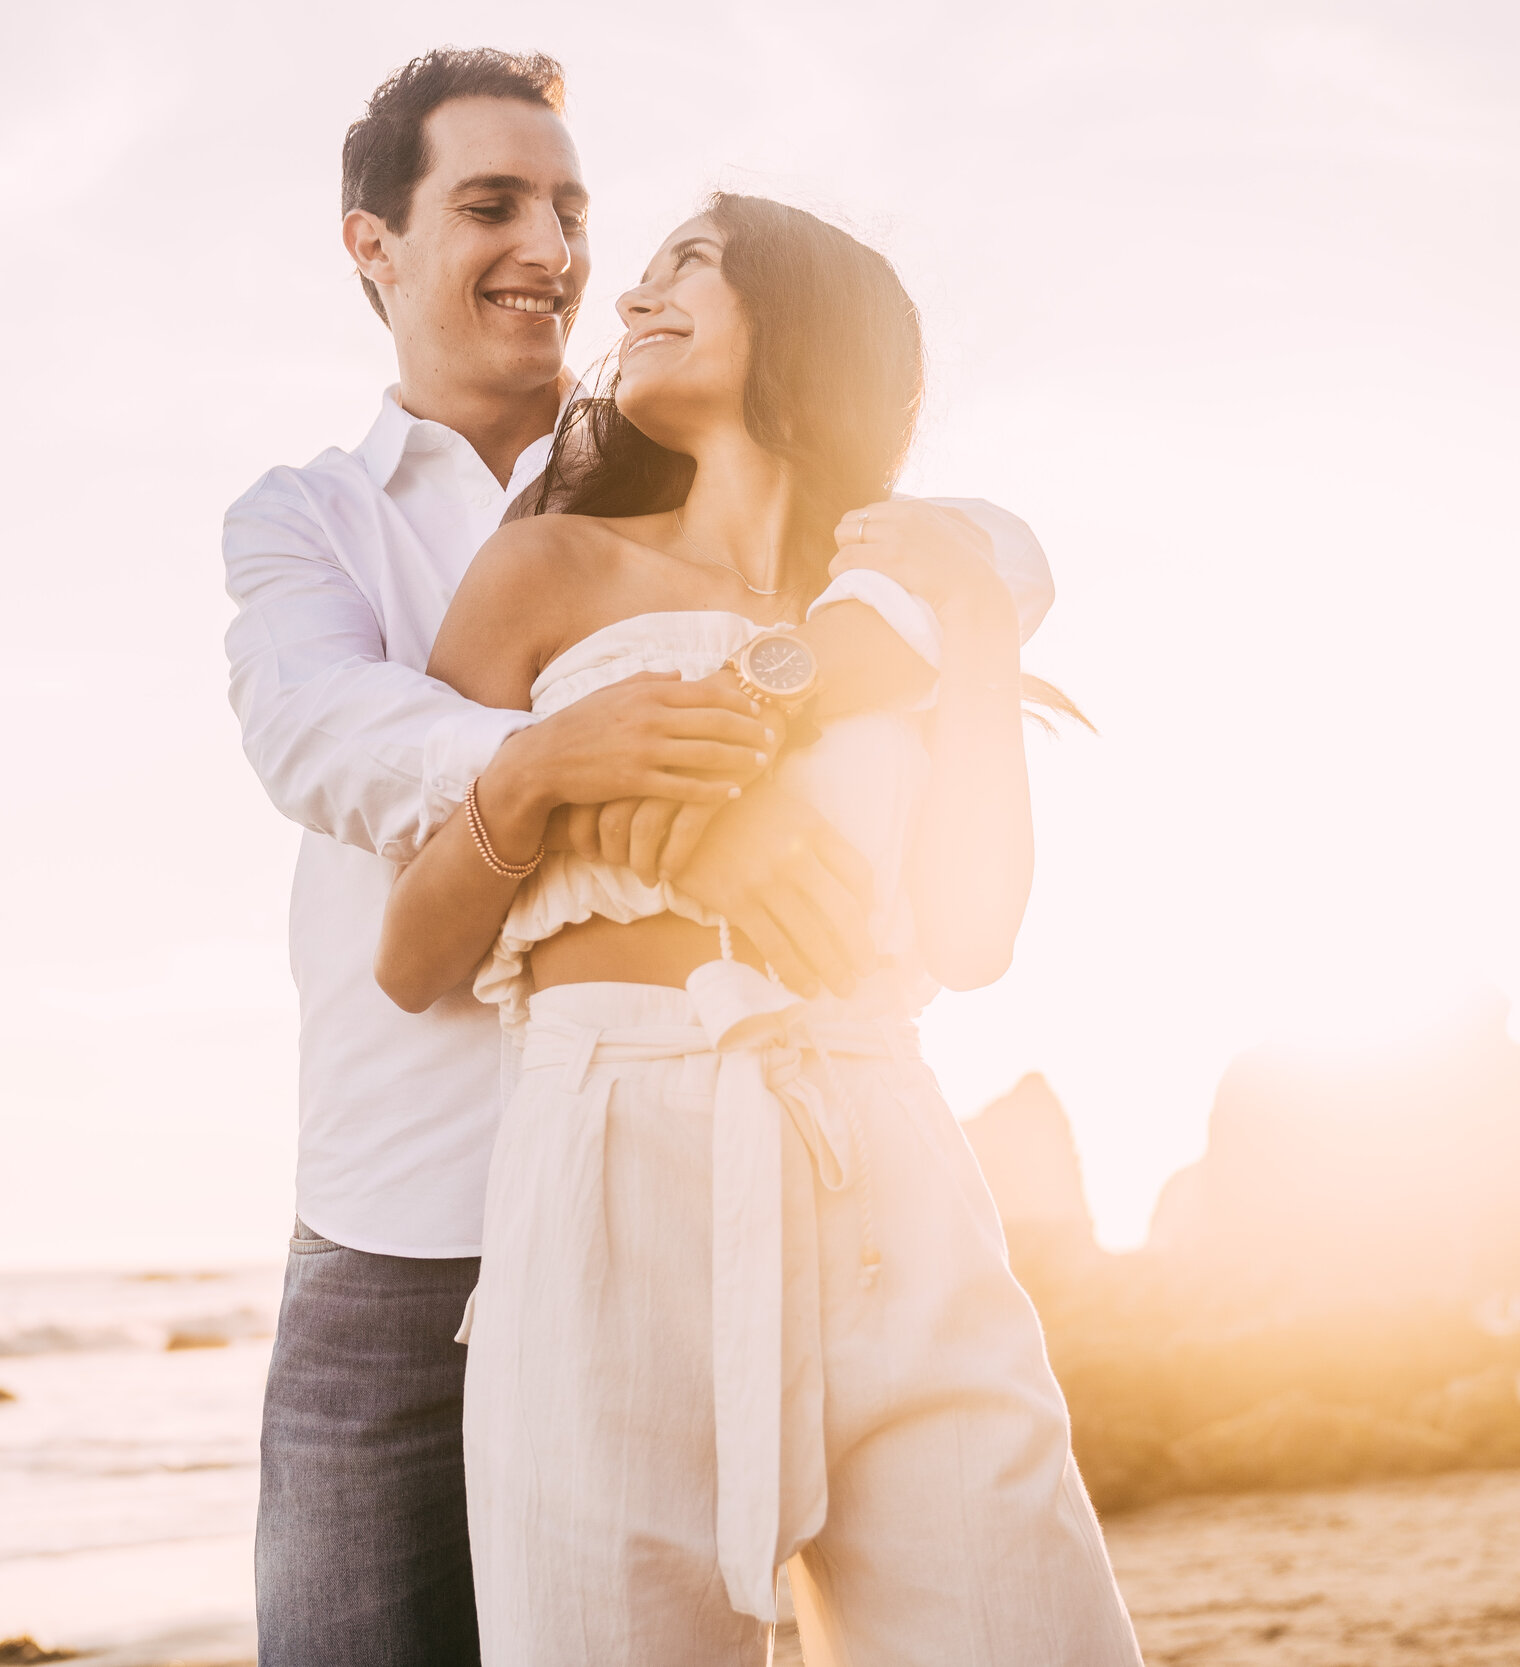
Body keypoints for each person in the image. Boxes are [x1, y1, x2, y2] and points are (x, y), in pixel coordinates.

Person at [224, 48, 1059, 1667]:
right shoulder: (312, 520)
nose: (552, 245)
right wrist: (585, 779)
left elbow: (991, 554)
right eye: (490, 204)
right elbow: (322, 742)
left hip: (801, 1148)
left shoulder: (711, 502)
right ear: (372, 246)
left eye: (573, 208)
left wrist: (779, 707)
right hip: (408, 1210)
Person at [373, 197, 1141, 1663]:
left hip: (878, 1147)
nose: (637, 294)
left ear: (803, 318)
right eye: (644, 271)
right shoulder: (548, 570)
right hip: (609, 1156)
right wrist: (558, 779)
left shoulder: (913, 603)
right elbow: (410, 954)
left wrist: (976, 637)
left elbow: (974, 934)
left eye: (690, 265)